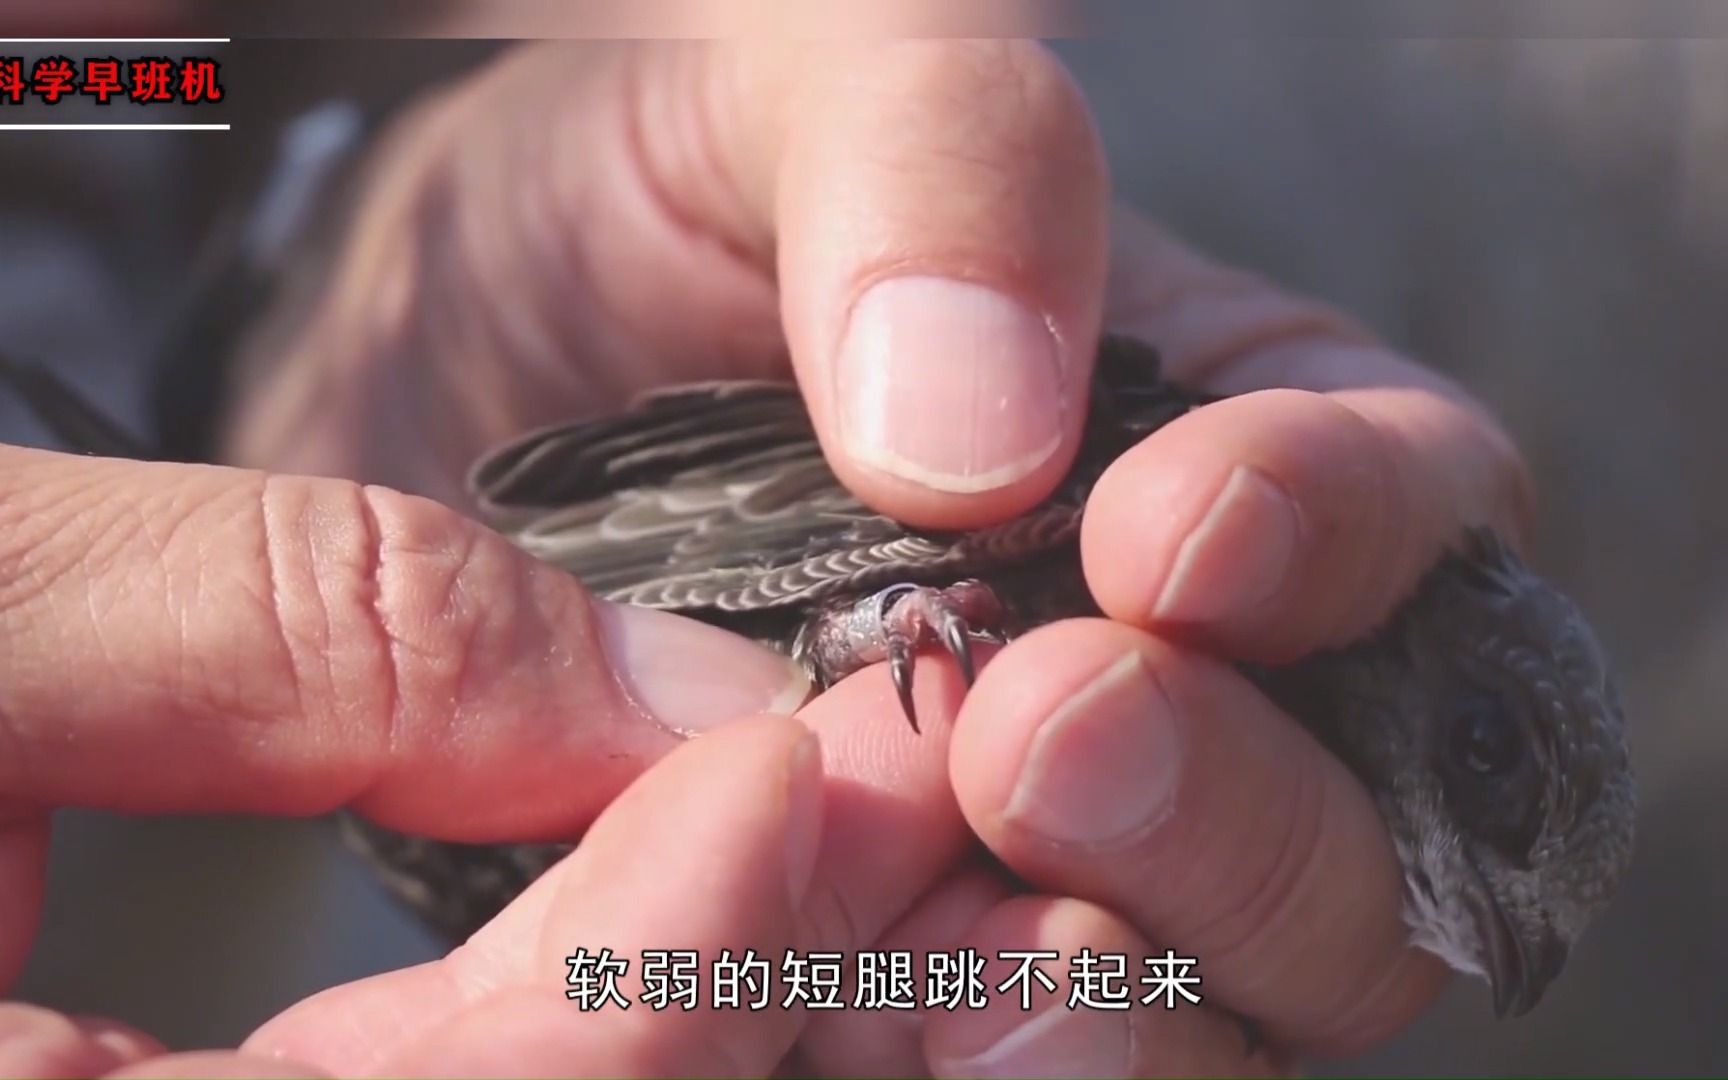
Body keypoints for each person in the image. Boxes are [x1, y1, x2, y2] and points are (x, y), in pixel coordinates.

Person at [0, 41, 1530, 1077]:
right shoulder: (1145, 488)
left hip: (423, 868)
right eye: (1501, 777)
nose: (1512, 948)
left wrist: (340, 255)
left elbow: (112, 97)